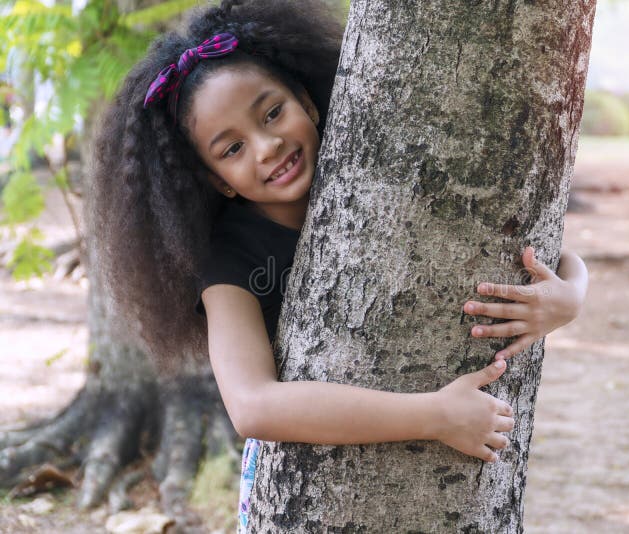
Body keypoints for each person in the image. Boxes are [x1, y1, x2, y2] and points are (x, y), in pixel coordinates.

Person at [90, 0, 589, 530]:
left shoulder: (380, 177)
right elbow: (252, 406)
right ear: (218, 180)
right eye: (233, 147)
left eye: (273, 112)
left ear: (307, 99)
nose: (267, 145)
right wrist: (434, 416)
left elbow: (541, 254)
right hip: (307, 496)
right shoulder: (228, 259)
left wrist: (571, 295)